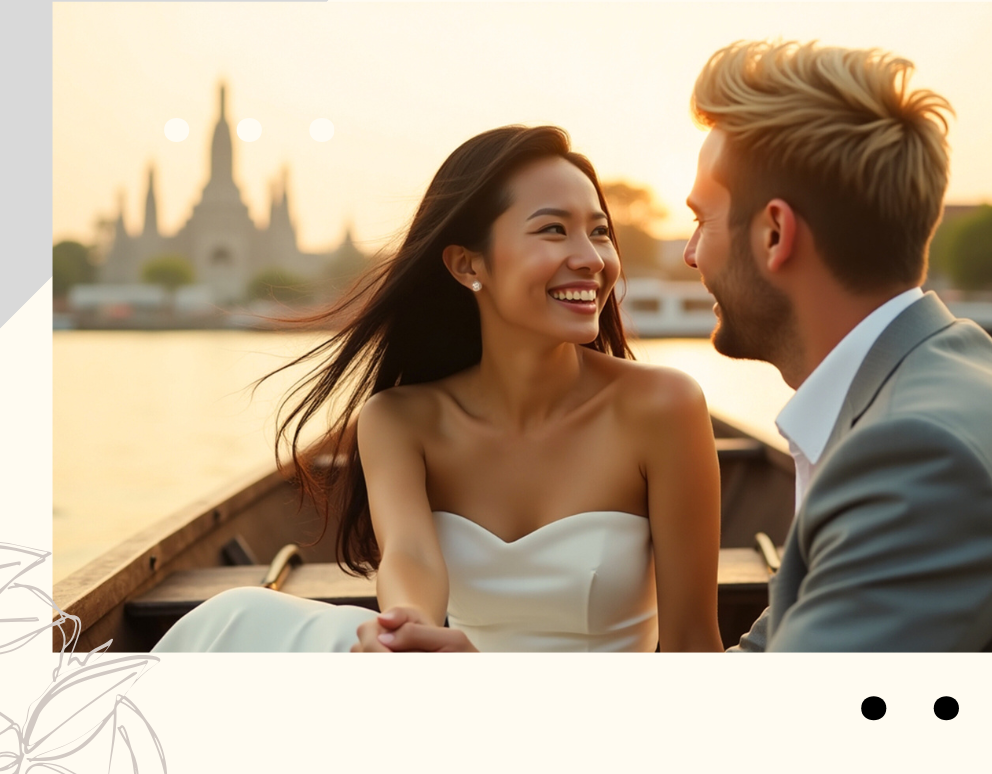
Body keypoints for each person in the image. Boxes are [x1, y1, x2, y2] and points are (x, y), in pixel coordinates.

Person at [156, 126, 723, 653]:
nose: (592, 259)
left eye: (600, 232)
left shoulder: (663, 407)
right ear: (466, 265)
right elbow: (410, 558)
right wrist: (410, 633)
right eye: (554, 229)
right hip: (446, 689)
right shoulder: (400, 421)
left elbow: (693, 645)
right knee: (233, 623)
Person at [682, 40, 992, 652]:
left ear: (774, 233)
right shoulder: (939, 379)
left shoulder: (919, 457)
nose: (690, 255)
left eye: (701, 221)